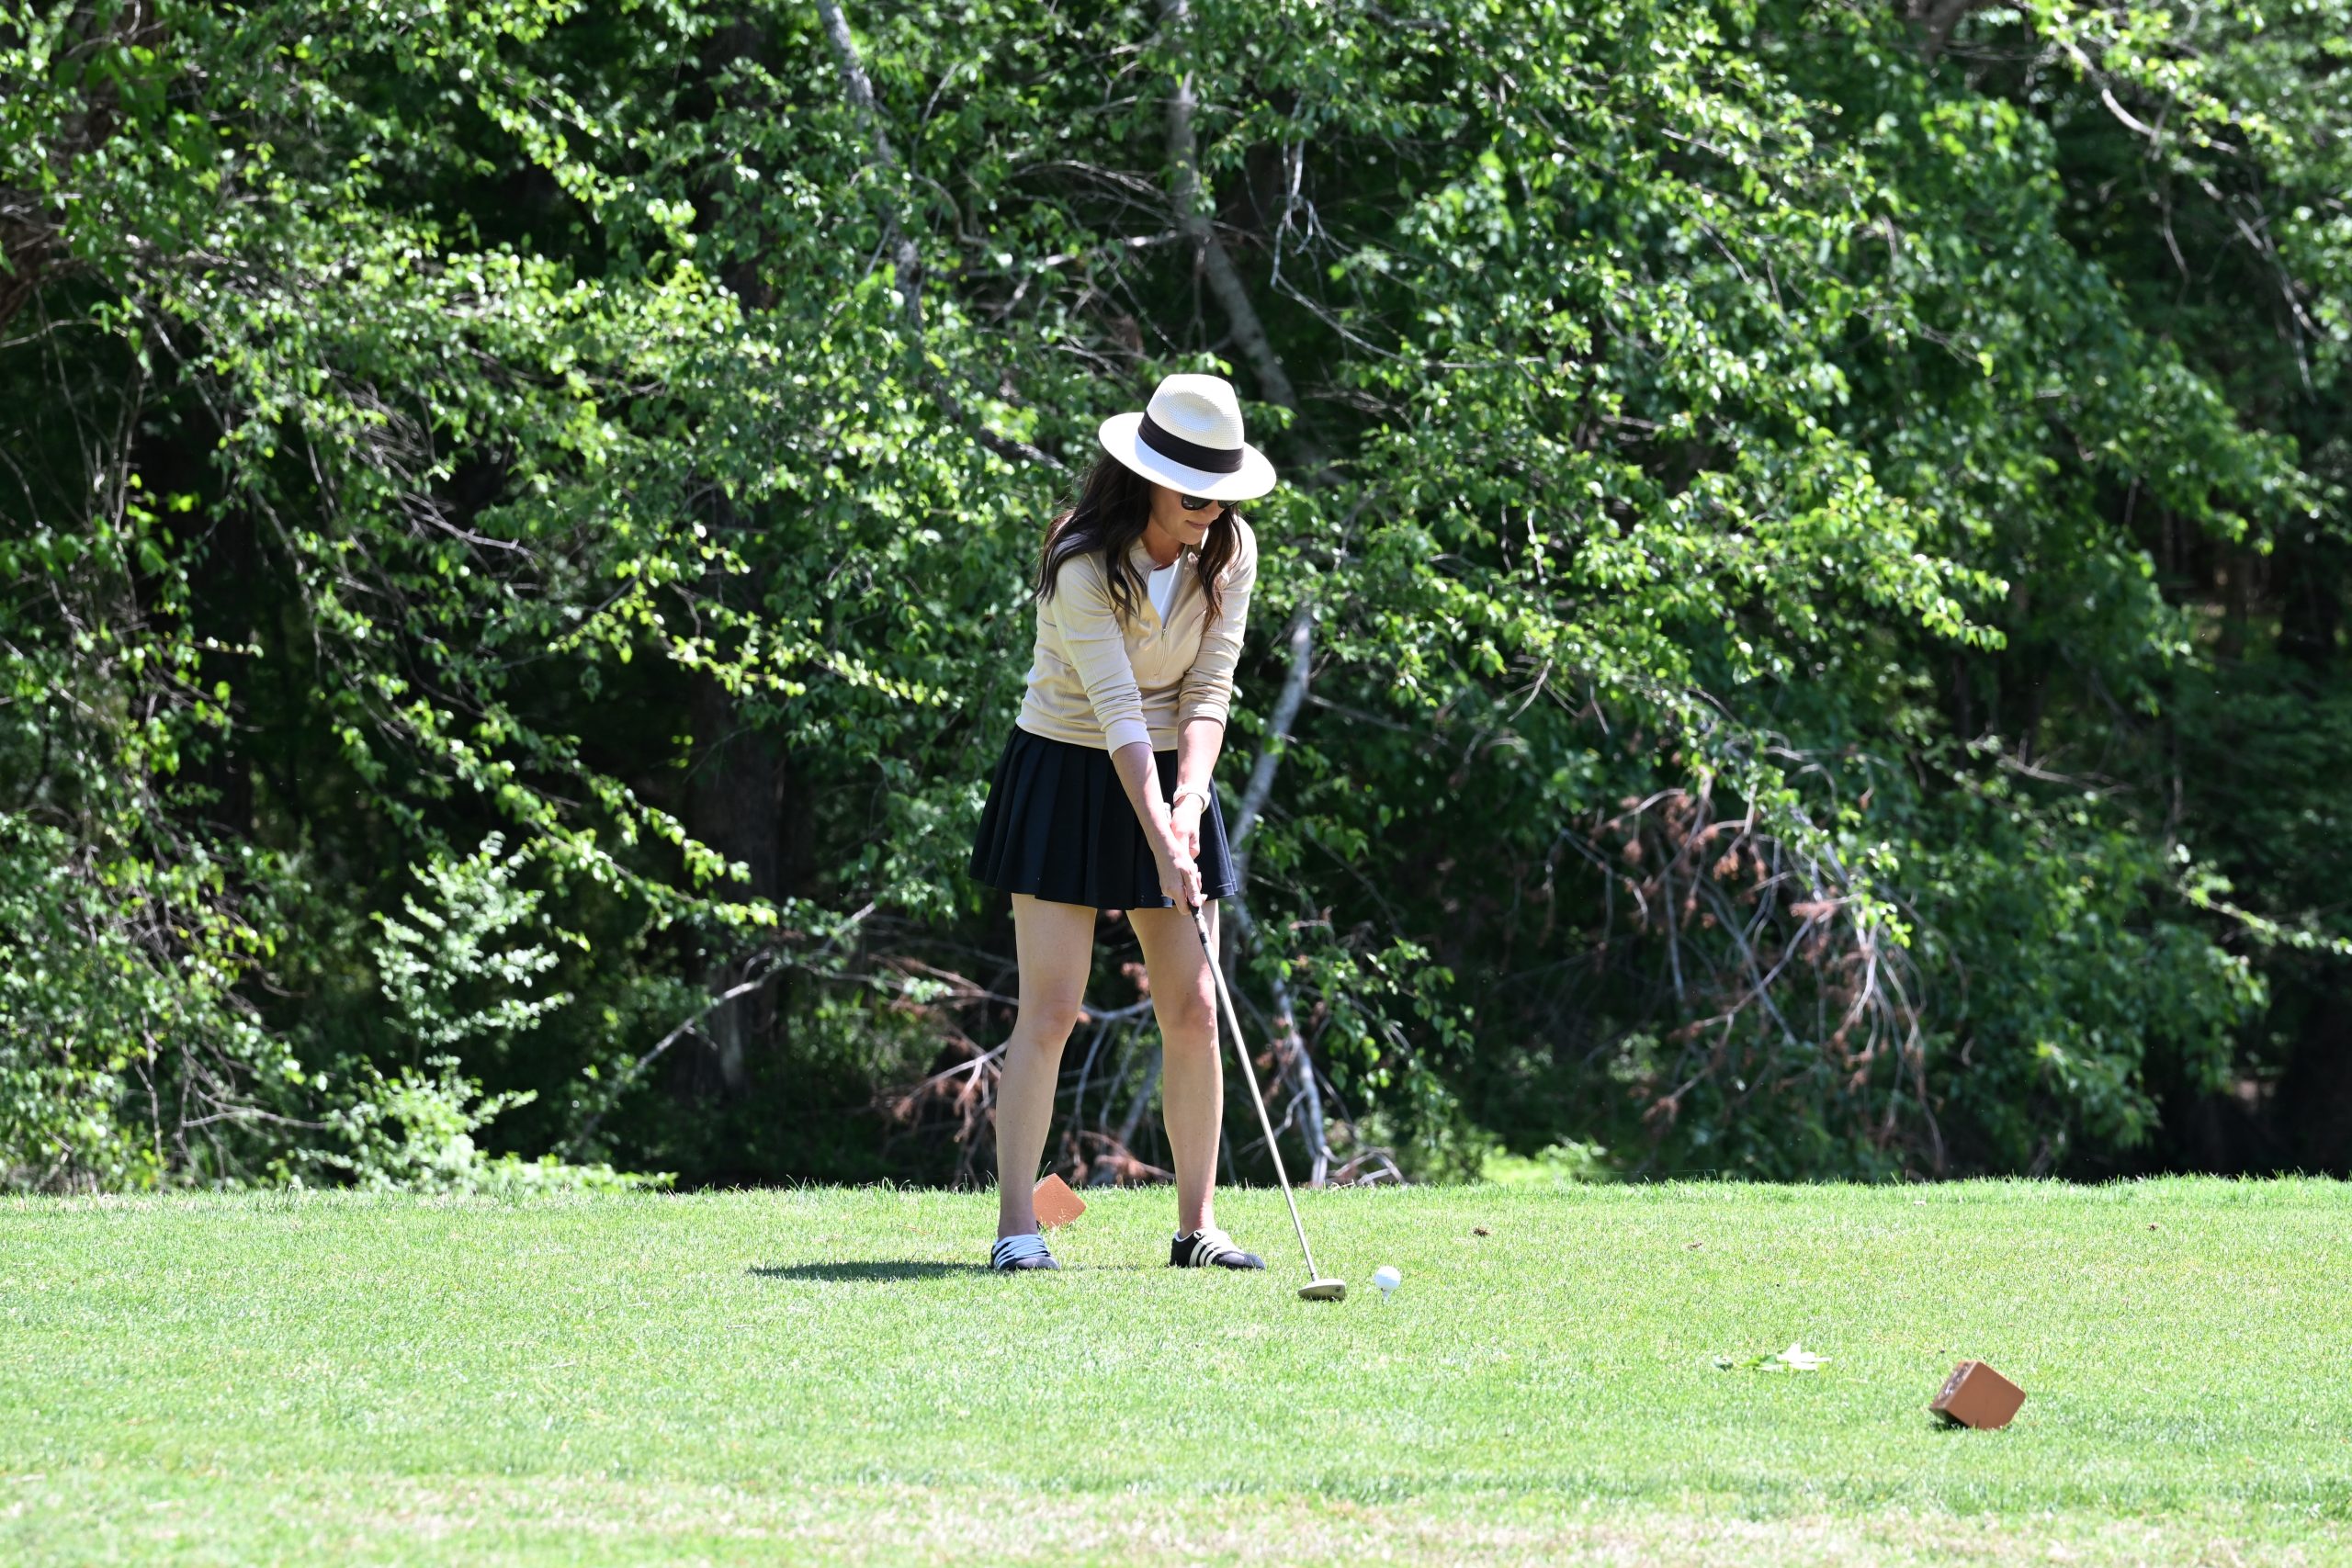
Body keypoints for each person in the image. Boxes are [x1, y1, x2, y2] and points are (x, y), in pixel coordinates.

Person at [966, 372, 1280, 1273]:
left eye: (1222, 497)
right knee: (1054, 1009)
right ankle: (1017, 1230)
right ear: (1145, 478)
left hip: (1175, 766)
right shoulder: (1078, 558)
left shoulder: (1230, 550)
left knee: (1191, 1006)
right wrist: (1160, 825)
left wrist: (1188, 805)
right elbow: (1115, 715)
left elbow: (1208, 690)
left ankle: (1196, 1229)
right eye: (1192, 495)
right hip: (1067, 765)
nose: (1209, 513)